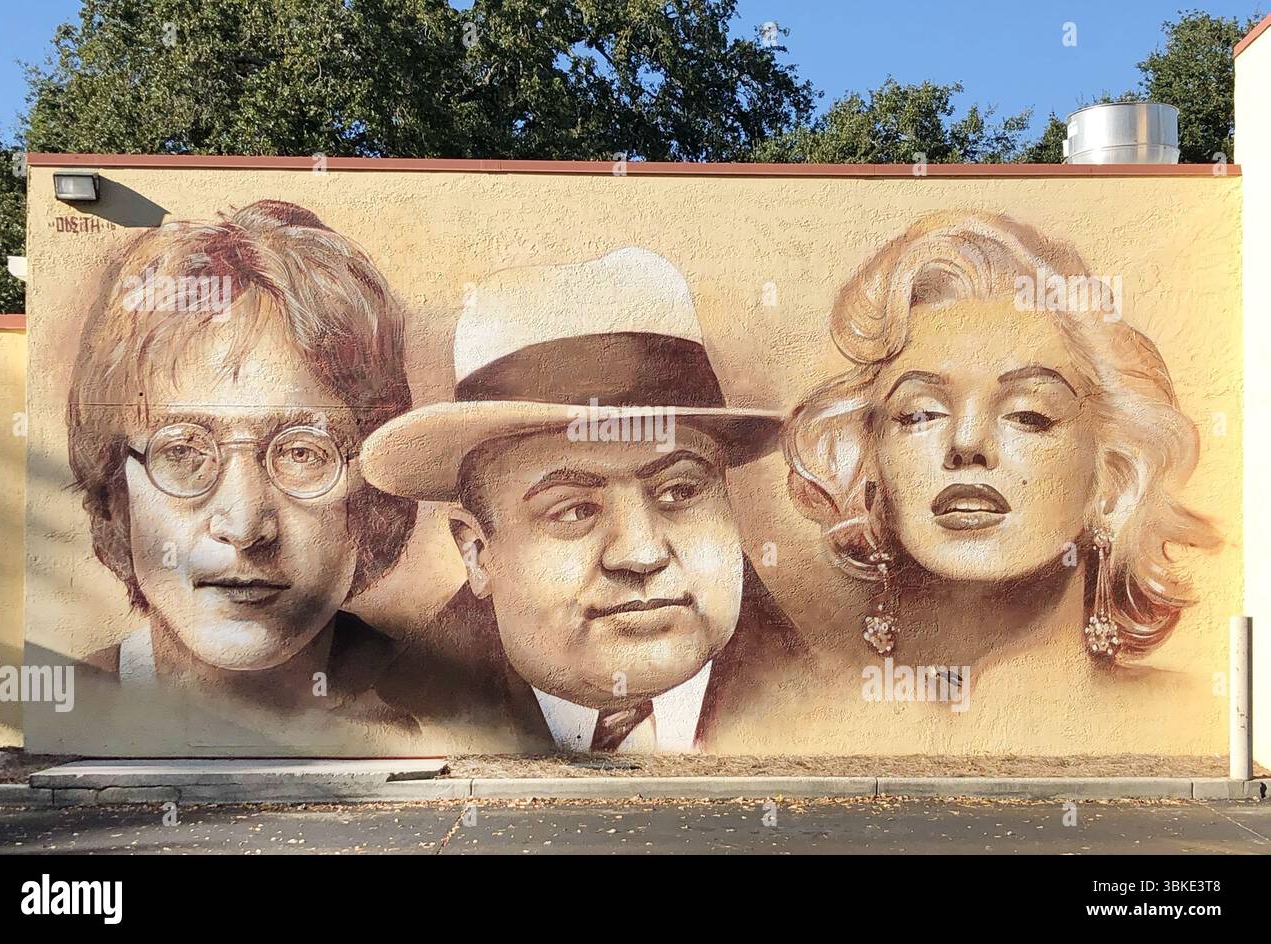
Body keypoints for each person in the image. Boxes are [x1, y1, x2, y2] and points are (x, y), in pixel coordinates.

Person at [364, 247, 811, 752]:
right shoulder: (393, 728)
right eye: (574, 510)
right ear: (477, 553)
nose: (641, 554)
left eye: (680, 491)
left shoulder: (825, 707)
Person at [783, 212, 1219, 684]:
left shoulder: (1199, 719)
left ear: (1115, 479)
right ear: (869, 466)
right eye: (920, 414)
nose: (967, 443)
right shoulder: (795, 716)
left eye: (1029, 414)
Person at [67, 199, 419, 728]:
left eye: (303, 452)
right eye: (182, 451)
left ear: (370, 504)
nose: (245, 525)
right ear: (118, 496)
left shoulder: (444, 700)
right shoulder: (73, 707)